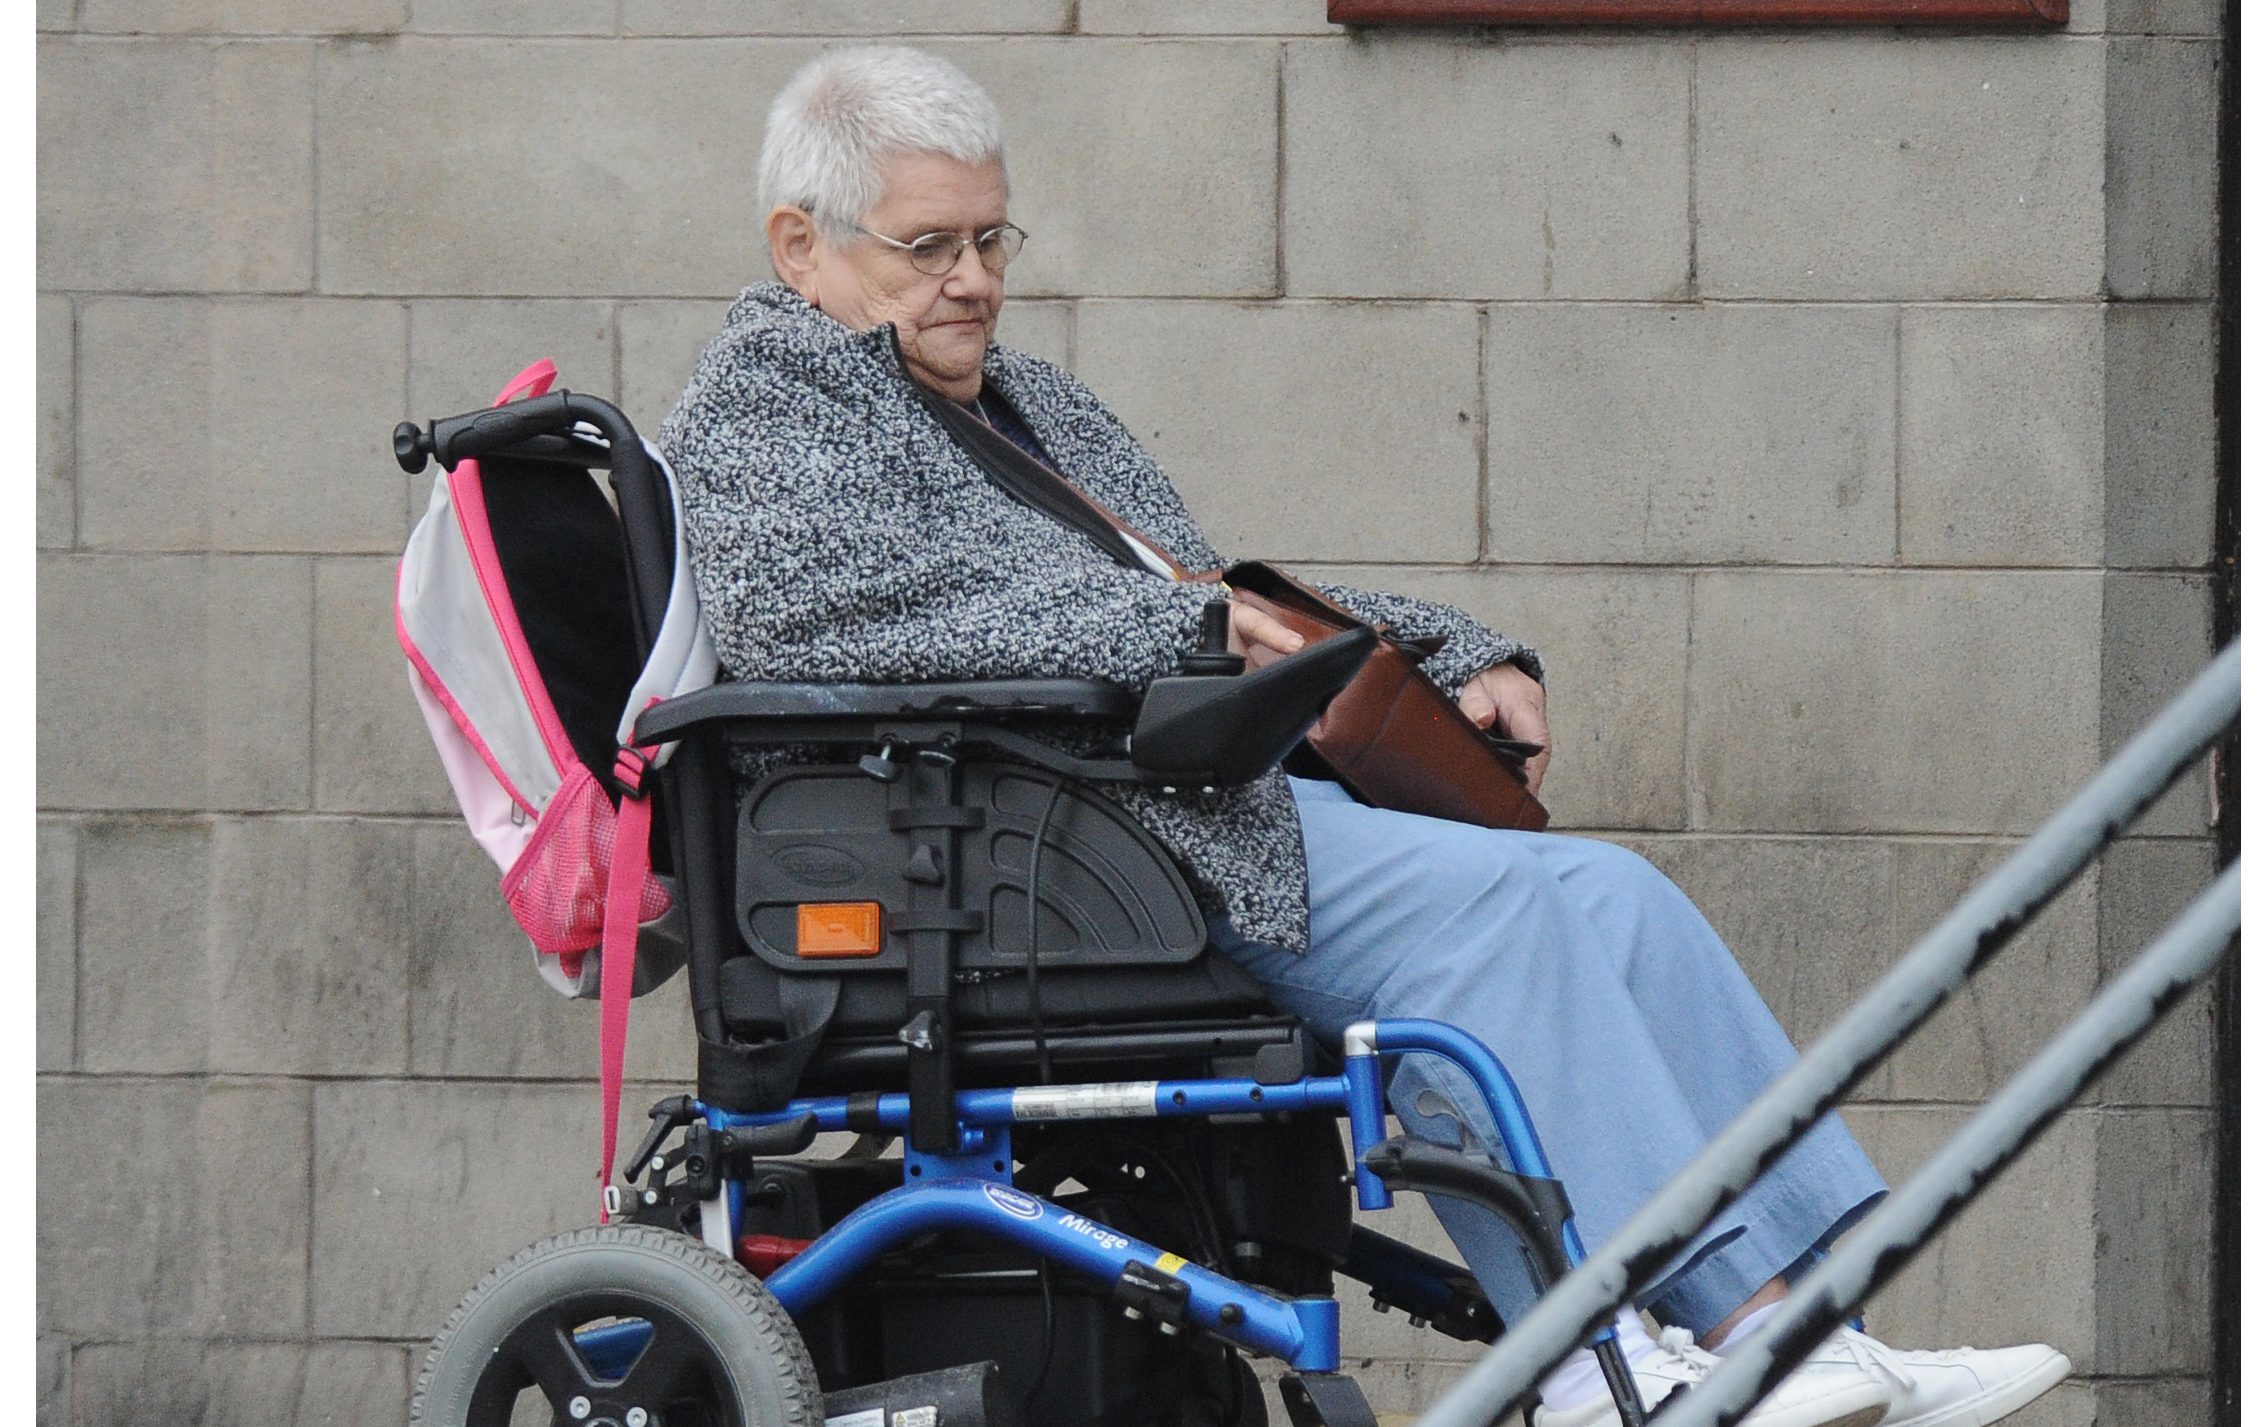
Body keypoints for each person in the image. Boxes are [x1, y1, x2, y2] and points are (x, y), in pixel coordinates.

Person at [659, 45, 2071, 1427]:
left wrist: (1455, 648)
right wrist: (1172, 638)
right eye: (928, 248)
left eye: (988, 238)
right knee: (1504, 923)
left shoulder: (1024, 402)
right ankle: (1625, 1363)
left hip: (1160, 816)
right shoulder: (766, 406)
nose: (972, 279)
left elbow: (1206, 591)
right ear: (802, 245)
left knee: (1615, 898)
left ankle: (1830, 1343)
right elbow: (839, 616)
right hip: (1055, 853)